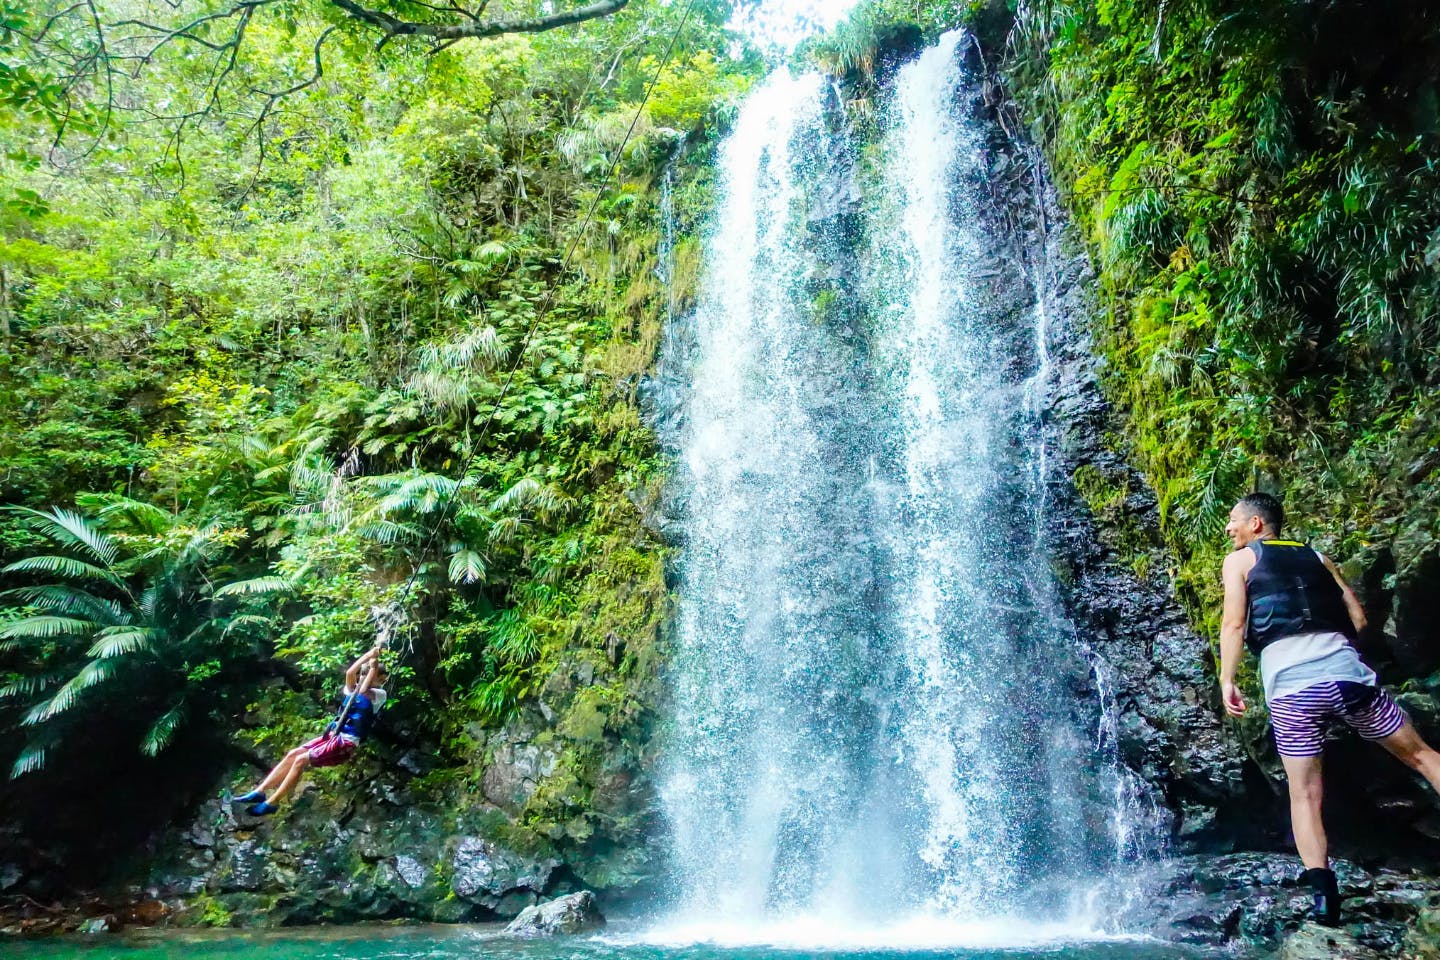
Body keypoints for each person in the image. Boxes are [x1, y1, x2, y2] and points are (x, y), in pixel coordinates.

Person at [1219, 492, 1440, 925]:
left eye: (1234, 521)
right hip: (1346, 676)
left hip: (1291, 687)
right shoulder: (1317, 556)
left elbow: (1234, 623)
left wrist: (1227, 678)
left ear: (1257, 525)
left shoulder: (1240, 561)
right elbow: (1357, 618)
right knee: (1421, 755)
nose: (1230, 528)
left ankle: (1324, 899)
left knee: (1304, 794)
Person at [232, 644, 387, 816]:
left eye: (377, 678)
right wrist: (368, 655)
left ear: (380, 680)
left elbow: (364, 689)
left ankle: (273, 802)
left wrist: (374, 663)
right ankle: (260, 791)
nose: (368, 679)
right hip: (332, 736)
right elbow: (350, 673)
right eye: (365, 675)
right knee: (293, 754)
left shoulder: (379, 695)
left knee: (300, 761)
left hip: (346, 742)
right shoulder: (352, 688)